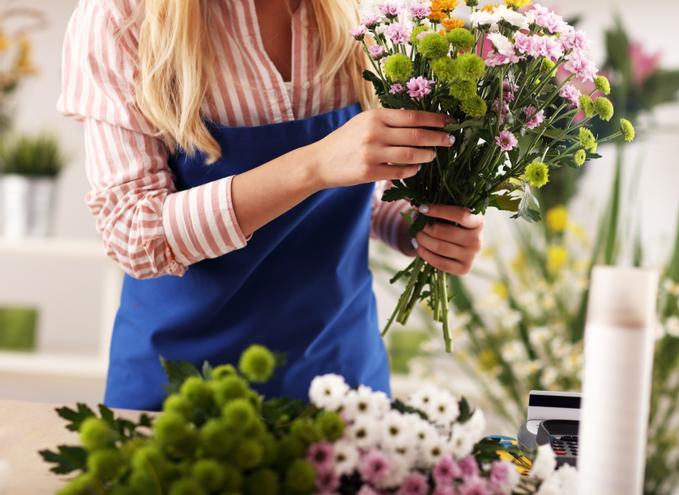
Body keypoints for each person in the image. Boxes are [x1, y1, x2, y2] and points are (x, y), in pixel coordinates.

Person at [58, 0, 484, 410]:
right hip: (183, 389)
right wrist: (313, 165)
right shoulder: (122, 16)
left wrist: (416, 227)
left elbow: (361, 193)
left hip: (340, 380)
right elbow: (134, 234)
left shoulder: (362, 14)